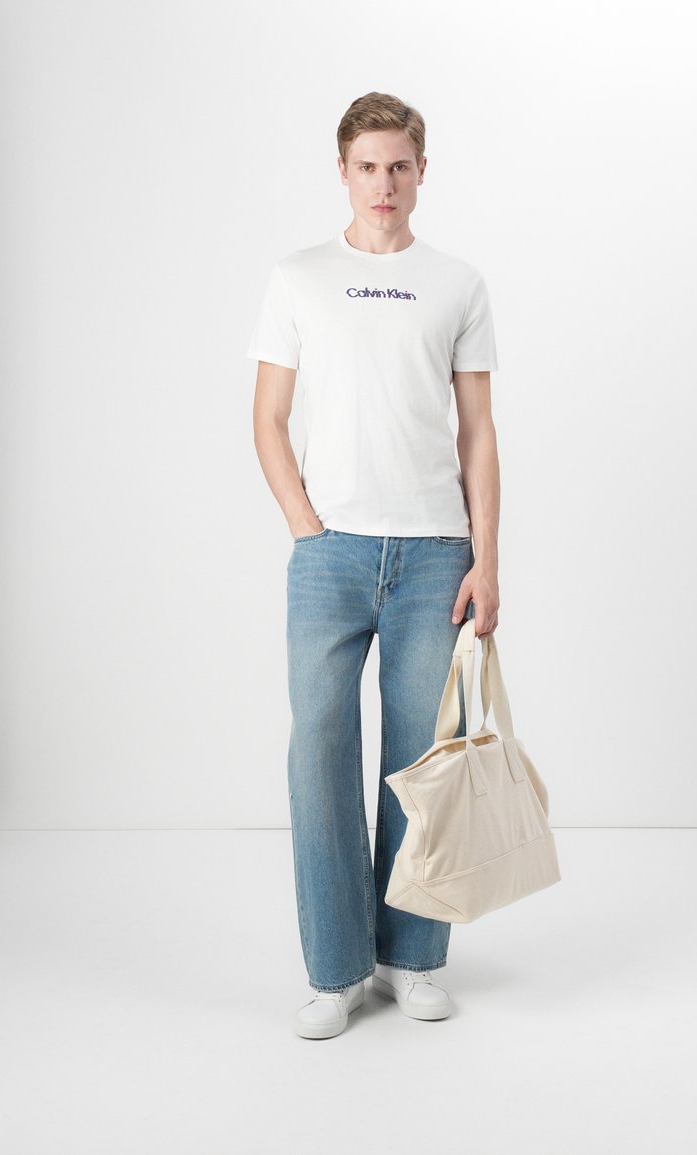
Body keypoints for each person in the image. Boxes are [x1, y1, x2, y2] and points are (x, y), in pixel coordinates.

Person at [246, 91, 501, 1039]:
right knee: (318, 754)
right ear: (343, 173)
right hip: (330, 556)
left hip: (436, 554)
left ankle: (414, 956)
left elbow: (478, 433)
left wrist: (487, 559)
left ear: (422, 171)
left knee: (422, 762)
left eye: (399, 166)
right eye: (367, 167)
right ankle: (336, 968)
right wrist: (307, 525)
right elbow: (268, 418)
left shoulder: (457, 283)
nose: (383, 184)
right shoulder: (299, 276)